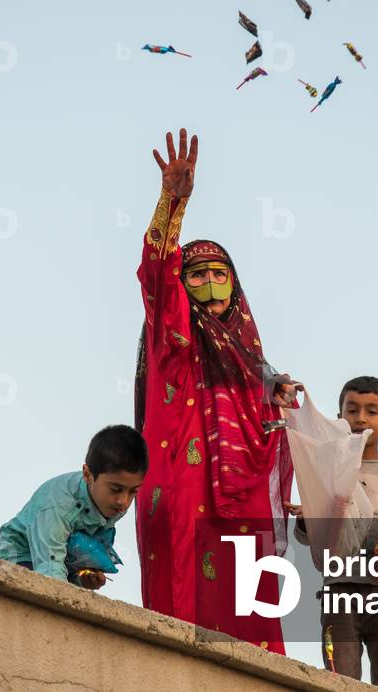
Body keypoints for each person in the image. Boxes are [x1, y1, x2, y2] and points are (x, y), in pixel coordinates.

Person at [134, 128, 301, 653]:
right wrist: (171, 203)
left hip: (242, 505)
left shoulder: (256, 365)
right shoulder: (174, 337)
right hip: (182, 489)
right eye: (197, 273)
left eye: (219, 273)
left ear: (235, 284)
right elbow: (158, 276)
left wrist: (284, 407)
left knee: (248, 612)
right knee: (184, 620)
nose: (208, 283)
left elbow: (275, 443)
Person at [289, 376, 378, 690]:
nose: (361, 418)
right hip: (340, 587)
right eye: (352, 410)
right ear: (339, 418)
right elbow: (309, 535)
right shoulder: (327, 469)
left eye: (371, 411)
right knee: (339, 675)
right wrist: (309, 517)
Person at [0, 425, 147, 590]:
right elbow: (49, 568)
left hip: (61, 558)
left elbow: (82, 544)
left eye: (133, 492)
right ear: (87, 475)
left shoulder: (113, 503)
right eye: (115, 489)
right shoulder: (58, 507)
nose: (124, 501)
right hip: (21, 555)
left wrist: (84, 574)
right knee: (38, 590)